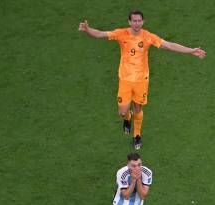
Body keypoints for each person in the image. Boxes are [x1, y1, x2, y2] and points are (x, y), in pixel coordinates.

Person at [78, 10, 206, 149]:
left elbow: (169, 45)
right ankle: (127, 118)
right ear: (129, 22)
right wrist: (88, 29)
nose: (137, 23)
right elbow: (101, 34)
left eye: (139, 21)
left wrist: (191, 51)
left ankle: (137, 135)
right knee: (122, 111)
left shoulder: (148, 37)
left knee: (138, 107)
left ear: (143, 22)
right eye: (134, 21)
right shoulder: (121, 34)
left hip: (141, 80)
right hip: (125, 79)